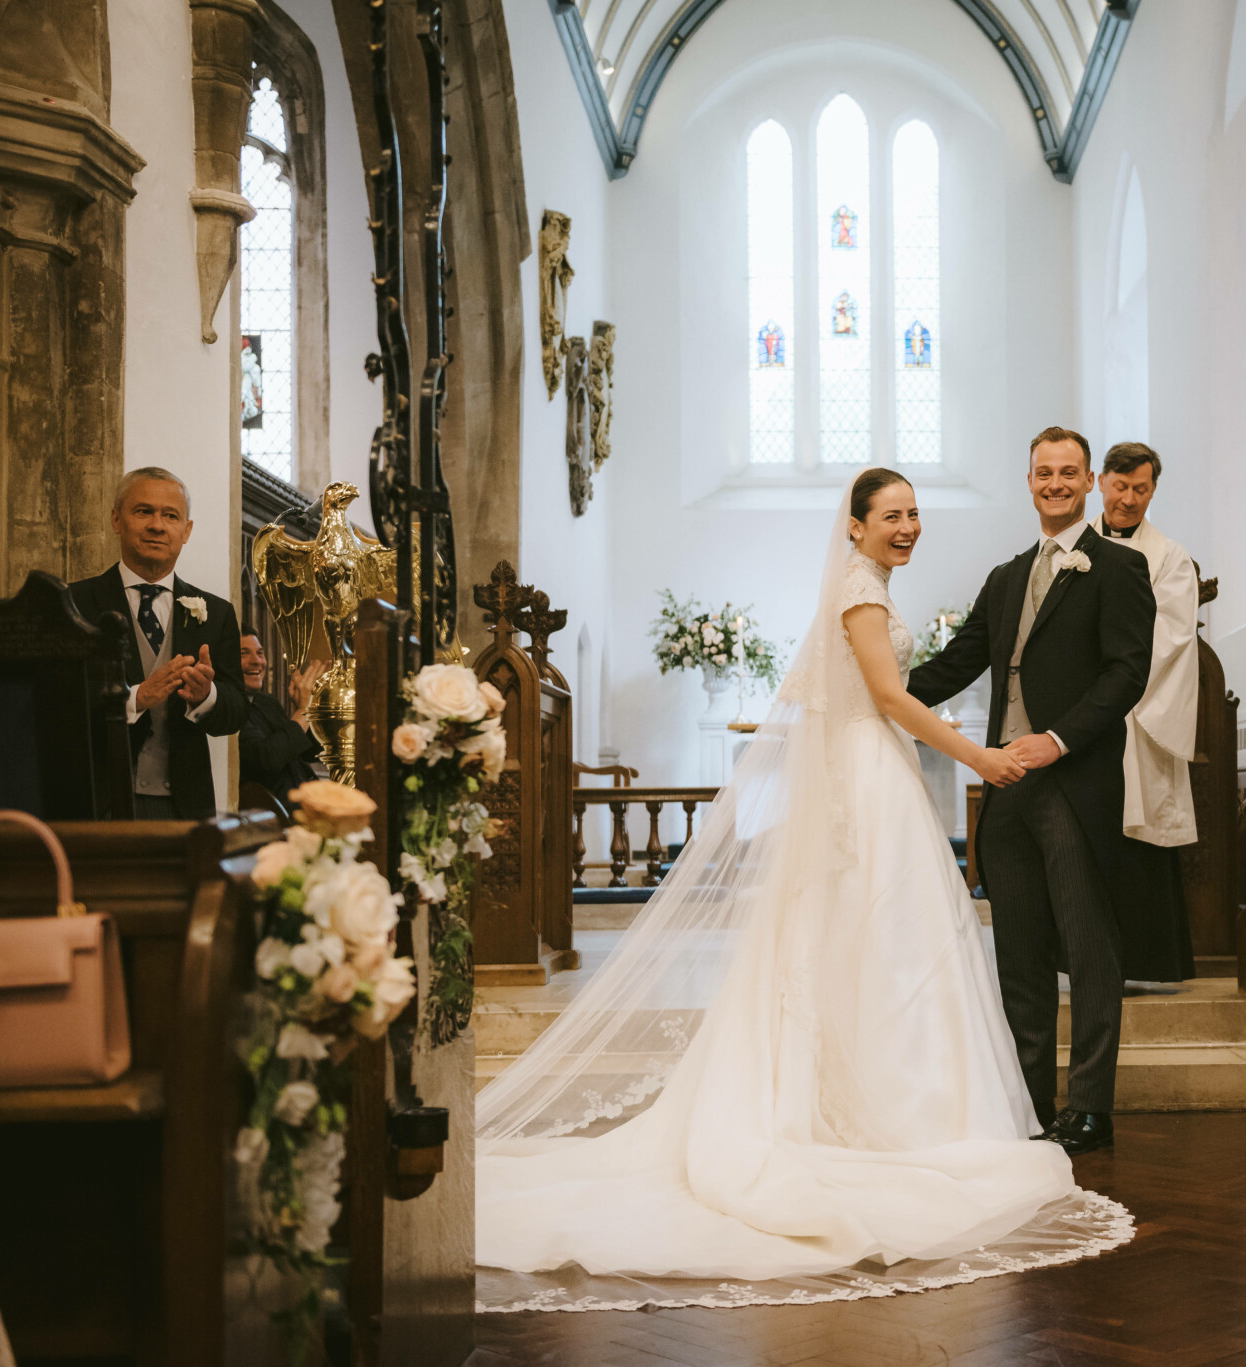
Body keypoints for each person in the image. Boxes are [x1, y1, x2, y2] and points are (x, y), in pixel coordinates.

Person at [473, 469, 1131, 1311]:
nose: (909, 526)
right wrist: (981, 757)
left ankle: (895, 1106)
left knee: (883, 946)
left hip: (874, 775)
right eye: (891, 515)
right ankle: (888, 1115)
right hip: (868, 781)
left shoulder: (867, 585)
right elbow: (891, 695)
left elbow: (895, 688)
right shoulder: (862, 589)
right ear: (854, 528)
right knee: (885, 940)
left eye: (915, 513)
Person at [907, 427, 1157, 1155]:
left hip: (1072, 782)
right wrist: (877, 688)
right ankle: (1028, 1098)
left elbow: (1126, 672)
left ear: (1088, 484)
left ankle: (1090, 1105)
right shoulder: (1006, 576)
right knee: (1018, 953)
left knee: (1088, 948)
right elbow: (954, 665)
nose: (1055, 483)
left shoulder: (1118, 567)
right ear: (1028, 481)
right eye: (1043, 472)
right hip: (1003, 787)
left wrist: (1056, 739)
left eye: (1068, 473)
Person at [69, 467, 247, 819]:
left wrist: (206, 696)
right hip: (98, 803)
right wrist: (135, 698)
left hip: (185, 807)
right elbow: (57, 703)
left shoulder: (217, 612)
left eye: (171, 515)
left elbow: (237, 711)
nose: (157, 525)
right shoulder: (74, 602)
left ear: (186, 531)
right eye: (143, 511)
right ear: (116, 520)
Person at [1093, 441, 1198, 984]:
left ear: (1153, 490)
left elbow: (1175, 636)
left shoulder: (1170, 557)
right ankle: (1084, 964)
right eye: (1120, 486)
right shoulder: (1073, 546)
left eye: (1141, 489)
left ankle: (1142, 965)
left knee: (1136, 839)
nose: (1129, 499)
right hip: (1081, 718)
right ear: (1101, 483)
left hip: (1136, 714)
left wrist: (1112, 687)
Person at [237, 634, 323, 804]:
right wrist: (303, 710)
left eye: (260, 653)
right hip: (265, 819)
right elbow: (268, 758)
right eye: (243, 653)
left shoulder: (268, 702)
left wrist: (310, 710)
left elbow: (311, 752)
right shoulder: (227, 710)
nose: (257, 661)